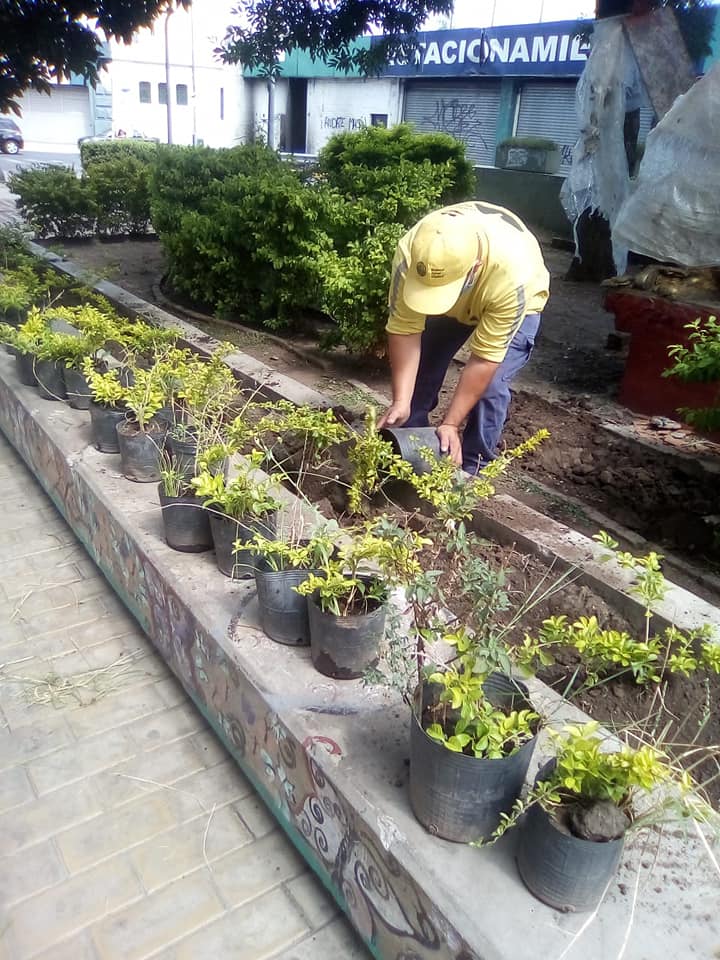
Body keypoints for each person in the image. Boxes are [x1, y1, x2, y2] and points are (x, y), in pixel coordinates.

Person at [377, 201, 550, 475]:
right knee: (422, 368)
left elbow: (484, 359)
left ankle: (472, 468)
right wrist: (401, 401)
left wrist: (451, 423)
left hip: (514, 298)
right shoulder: (413, 254)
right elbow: (405, 330)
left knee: (491, 386)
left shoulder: (514, 277)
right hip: (468, 286)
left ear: (474, 268)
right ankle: (413, 447)